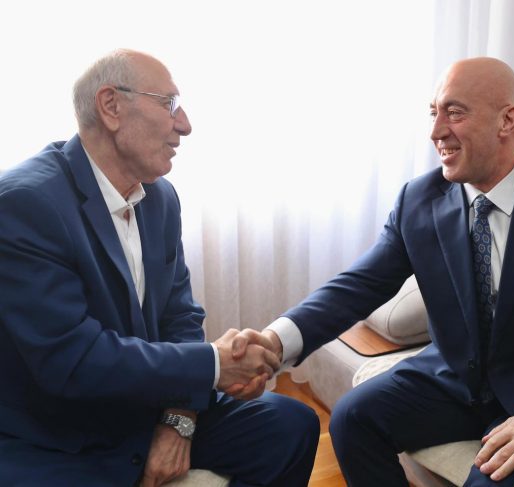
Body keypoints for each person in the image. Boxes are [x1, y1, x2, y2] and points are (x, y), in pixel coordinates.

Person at [237, 57, 514, 486]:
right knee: (353, 417)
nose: (436, 131)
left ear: (507, 120)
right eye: (434, 113)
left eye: (454, 112)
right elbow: (357, 287)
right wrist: (274, 342)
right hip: (456, 381)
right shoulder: (419, 200)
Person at [0, 48, 318, 486]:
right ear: (111, 106)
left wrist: (178, 419)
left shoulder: (160, 197)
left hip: (146, 406)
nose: (185, 124)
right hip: (62, 435)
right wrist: (213, 365)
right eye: (169, 103)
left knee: (291, 426)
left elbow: (179, 316)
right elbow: (74, 360)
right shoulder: (25, 204)